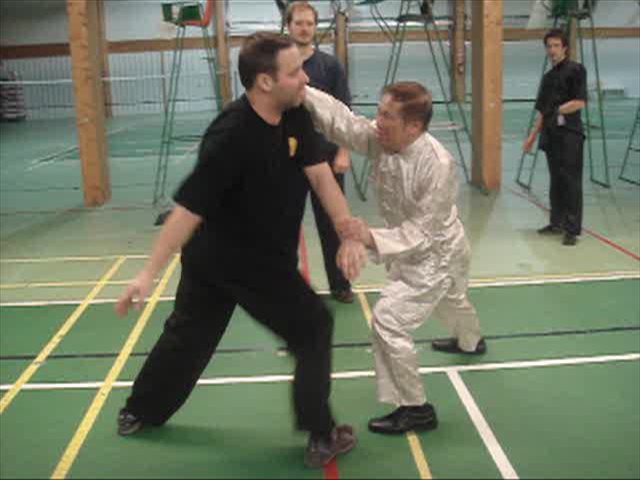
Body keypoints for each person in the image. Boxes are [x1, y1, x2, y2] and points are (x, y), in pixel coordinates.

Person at [114, 32, 367, 468]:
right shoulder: (230, 135)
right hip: (229, 259)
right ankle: (321, 433)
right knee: (310, 327)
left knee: (188, 336)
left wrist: (347, 232)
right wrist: (147, 273)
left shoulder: (295, 114)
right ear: (265, 82)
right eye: (294, 72)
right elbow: (187, 210)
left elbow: (321, 176)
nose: (306, 78)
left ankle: (140, 411)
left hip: (255, 255)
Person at [302, 81, 486, 435]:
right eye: (379, 111)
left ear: (413, 127)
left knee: (388, 320)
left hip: (436, 255)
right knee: (454, 300)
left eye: (387, 116)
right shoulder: (385, 139)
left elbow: (421, 233)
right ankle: (471, 341)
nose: (378, 121)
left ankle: (416, 409)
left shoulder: (438, 166)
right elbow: (345, 123)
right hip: (429, 247)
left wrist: (367, 236)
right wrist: (304, 93)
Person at [286, 1, 354, 303]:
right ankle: (285, 285)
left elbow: (345, 114)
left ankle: (340, 284)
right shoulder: (278, 66)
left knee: (332, 225)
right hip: (288, 159)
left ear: (315, 27)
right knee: (285, 225)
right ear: (288, 26)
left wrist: (344, 152)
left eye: (309, 24)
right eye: (299, 23)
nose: (304, 29)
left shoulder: (330, 66)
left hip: (325, 158)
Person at [523, 28, 587, 247]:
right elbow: (543, 112)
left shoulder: (576, 70)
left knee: (571, 181)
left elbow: (580, 102)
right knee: (556, 180)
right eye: (549, 46)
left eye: (556, 46)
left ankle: (572, 229)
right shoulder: (548, 78)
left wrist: (559, 110)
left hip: (570, 135)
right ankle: (556, 222)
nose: (552, 50)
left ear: (565, 48)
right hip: (551, 135)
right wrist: (531, 137)